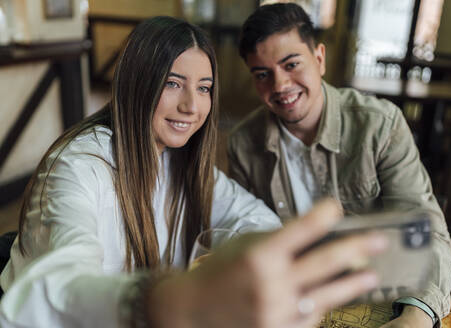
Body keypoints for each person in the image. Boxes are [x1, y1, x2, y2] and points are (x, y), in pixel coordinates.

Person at [0, 16, 389, 328]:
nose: (191, 106)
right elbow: (59, 286)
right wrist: (169, 303)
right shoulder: (78, 167)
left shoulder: (177, 159)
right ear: (137, 84)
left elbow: (252, 217)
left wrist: (245, 262)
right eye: (173, 83)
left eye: (203, 88)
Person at [227, 3, 451, 328]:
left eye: (291, 64)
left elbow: (425, 229)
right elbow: (247, 236)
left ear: (319, 58)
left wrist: (416, 316)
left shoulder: (380, 126)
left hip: (379, 292)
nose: (279, 85)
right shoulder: (242, 144)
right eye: (262, 74)